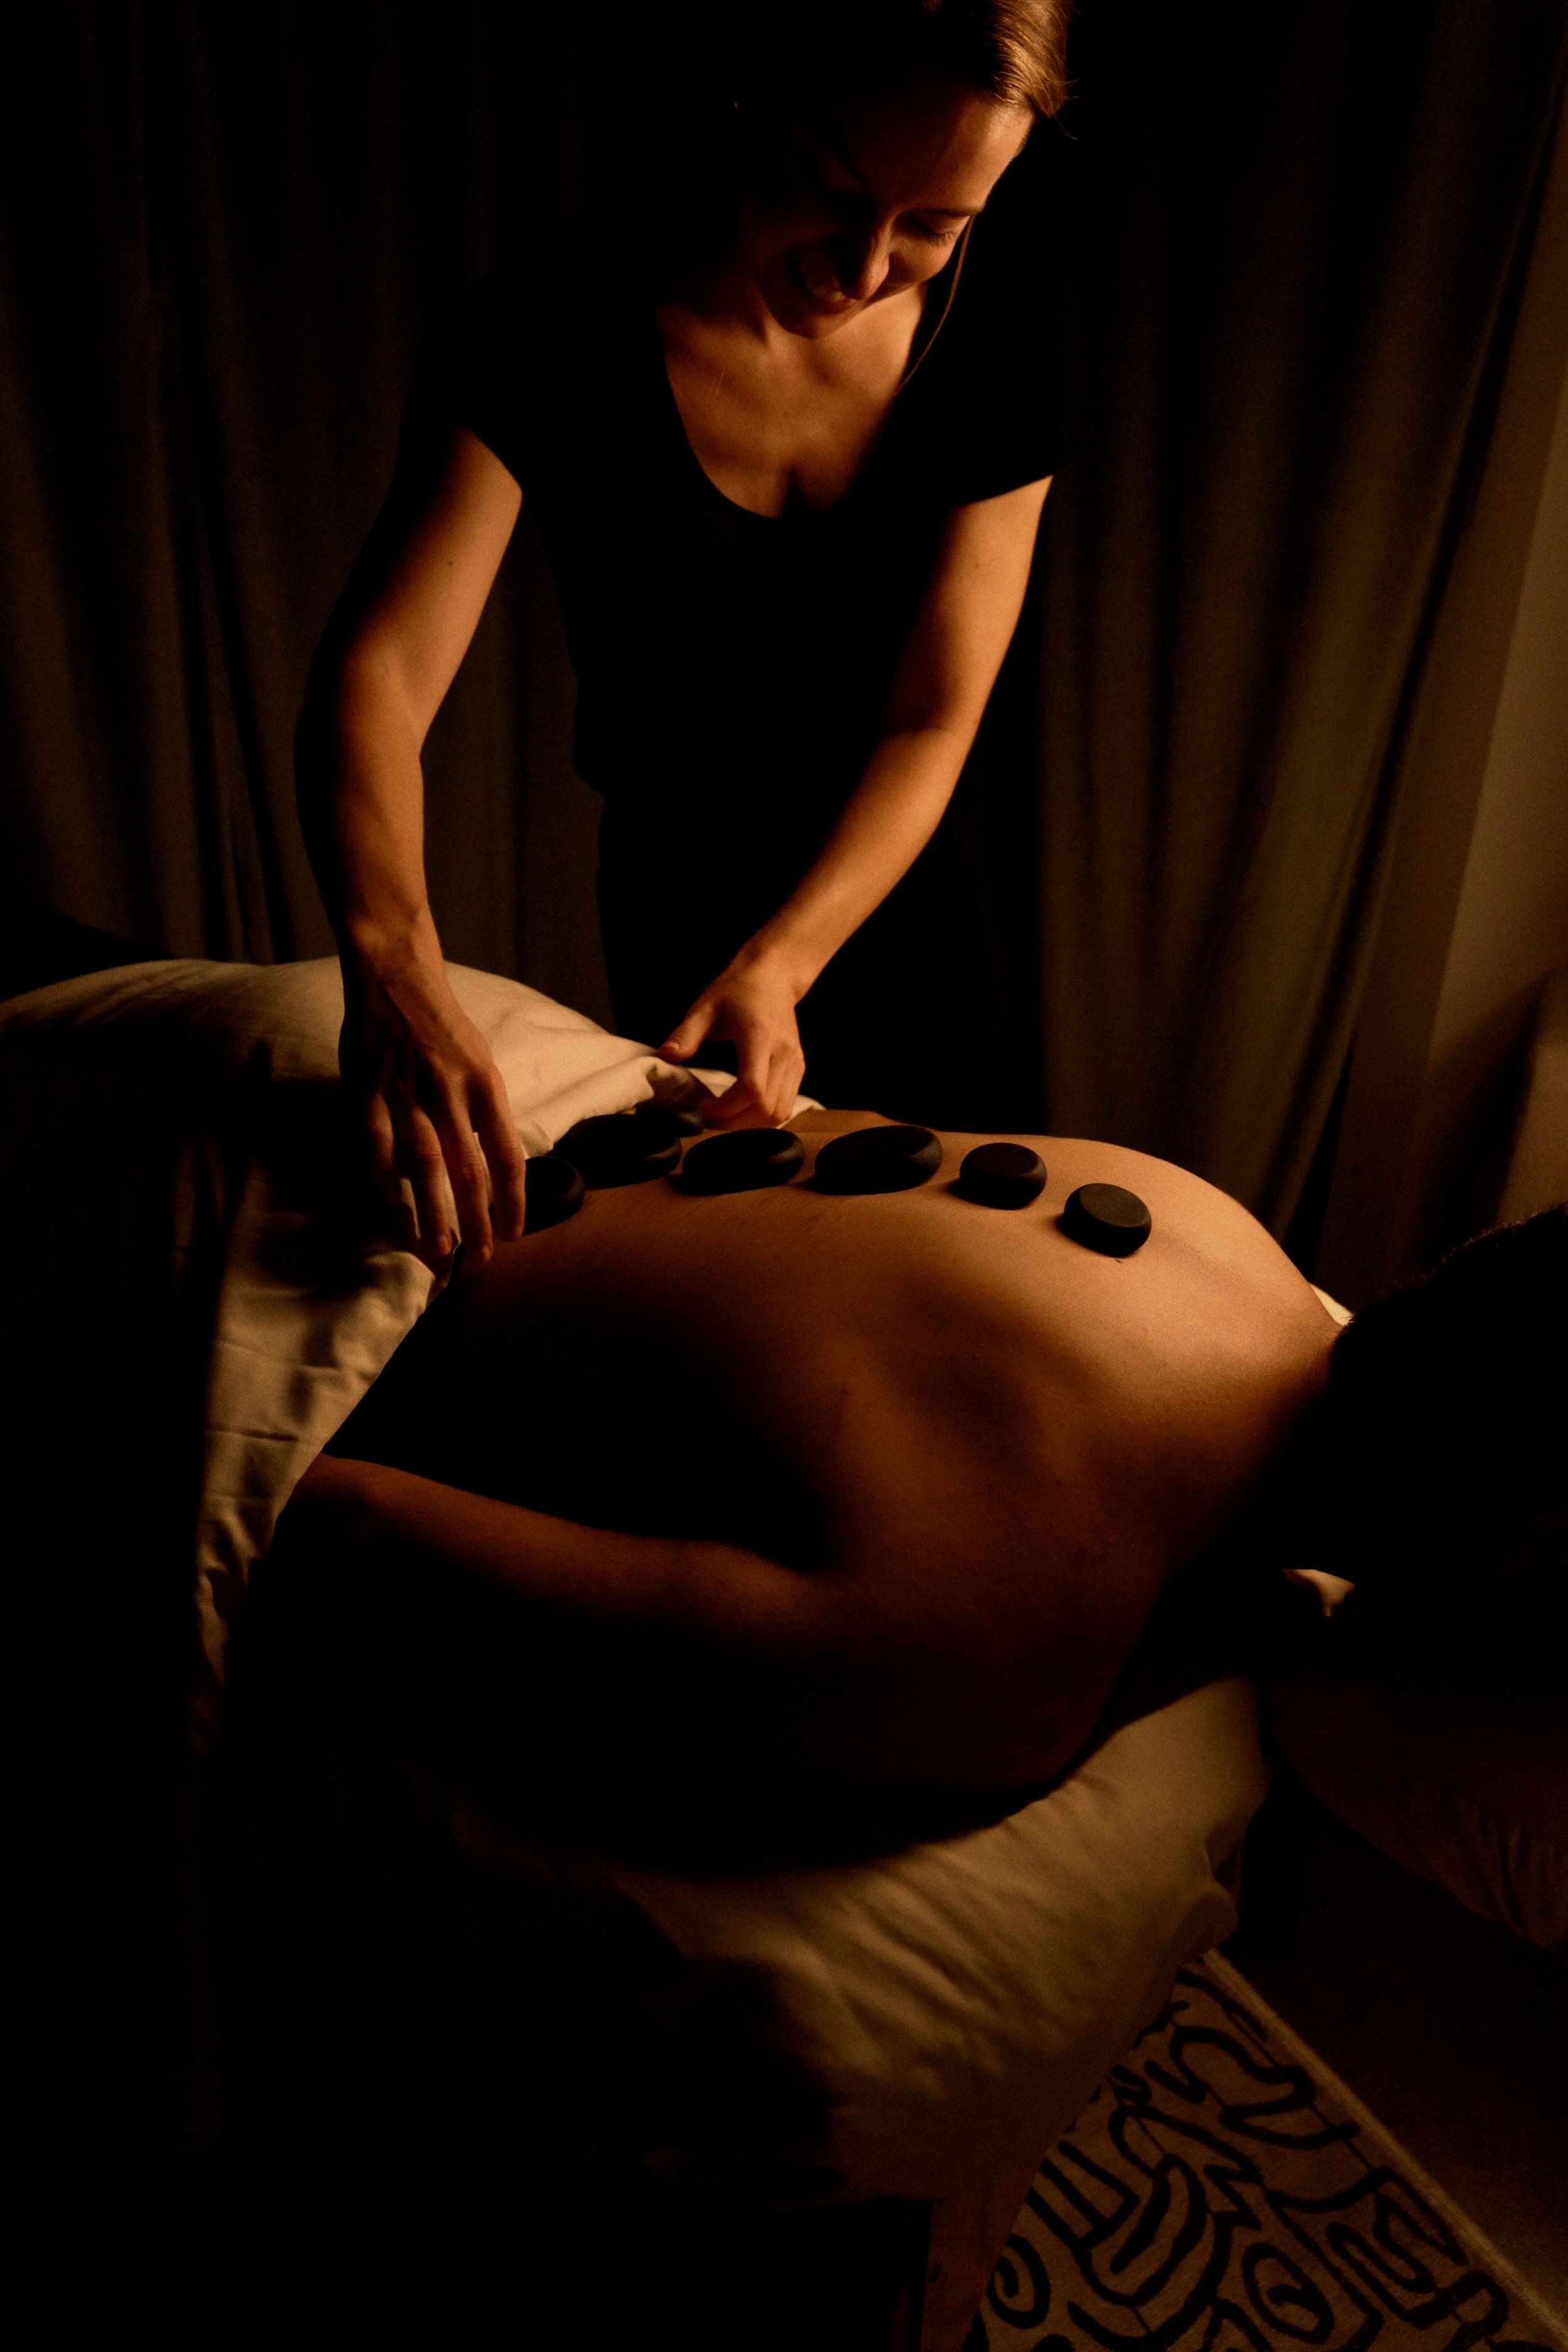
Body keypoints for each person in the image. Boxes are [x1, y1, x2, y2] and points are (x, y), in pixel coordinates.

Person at [297, 0, 1072, 1272]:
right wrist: (393, 970)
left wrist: (787, 961)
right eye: (831, 191)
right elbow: (377, 679)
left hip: (910, 905)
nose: (866, 264)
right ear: (753, 103)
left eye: (936, 227)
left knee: (955, 1291)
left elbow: (933, 712)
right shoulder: (549, 324)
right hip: (678, 913)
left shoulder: (1001, 338)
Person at [282, 1113, 1566, 1833]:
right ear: (1520, 1554)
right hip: (264, 1275)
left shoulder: (1212, 1224)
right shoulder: (1002, 1659)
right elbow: (347, 1527)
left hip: (353, 1110)